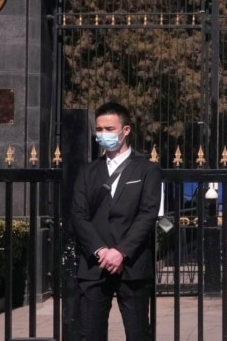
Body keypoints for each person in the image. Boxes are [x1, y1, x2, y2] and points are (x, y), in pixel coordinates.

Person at [71, 101, 162, 341]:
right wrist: (101, 251)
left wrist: (121, 252)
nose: (103, 135)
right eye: (99, 129)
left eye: (110, 129)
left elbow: (148, 214)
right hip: (94, 265)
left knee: (138, 333)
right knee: (89, 333)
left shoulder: (146, 171)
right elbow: (79, 215)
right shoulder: (87, 172)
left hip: (132, 266)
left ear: (126, 130)